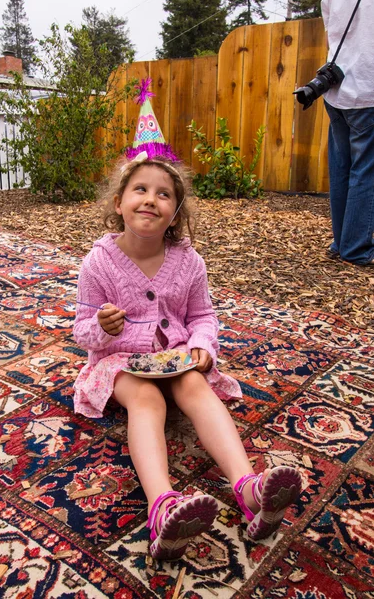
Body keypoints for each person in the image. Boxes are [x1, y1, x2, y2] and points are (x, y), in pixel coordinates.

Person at [72, 79, 302, 560]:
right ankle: (162, 508)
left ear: (175, 212)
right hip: (118, 364)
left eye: (163, 194)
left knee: (196, 385)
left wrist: (203, 345)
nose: (150, 199)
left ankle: (249, 490)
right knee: (148, 401)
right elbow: (82, 329)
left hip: (173, 356)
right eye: (140, 189)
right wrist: (105, 327)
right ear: (119, 202)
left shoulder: (189, 260)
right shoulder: (98, 263)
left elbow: (202, 315)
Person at [321, 0, 374, 265]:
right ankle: (356, 249)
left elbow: (331, 31)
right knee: (365, 169)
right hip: (368, 89)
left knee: (342, 167)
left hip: (335, 87)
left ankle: (341, 243)